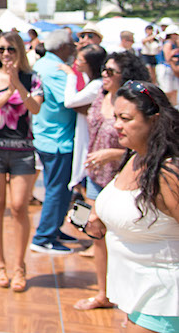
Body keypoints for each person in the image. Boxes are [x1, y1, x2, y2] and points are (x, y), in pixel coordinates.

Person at [82, 81, 179, 333]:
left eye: (126, 118)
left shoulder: (166, 173)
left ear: (154, 120)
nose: (116, 126)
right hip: (138, 296)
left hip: (164, 301)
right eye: (116, 117)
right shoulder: (136, 156)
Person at [73, 52, 149, 311]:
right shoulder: (100, 95)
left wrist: (112, 154)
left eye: (110, 71)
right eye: (103, 69)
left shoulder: (134, 103)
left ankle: (130, 295)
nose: (104, 74)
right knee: (96, 233)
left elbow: (145, 146)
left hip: (125, 176)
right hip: (95, 175)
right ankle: (103, 293)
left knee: (125, 236)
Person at [0, 31, 43, 292]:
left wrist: (18, 83)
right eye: (1, 49)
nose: (6, 54)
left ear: (20, 51)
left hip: (23, 149)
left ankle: (19, 265)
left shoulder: (32, 77)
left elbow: (35, 108)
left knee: (19, 207)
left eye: (11, 49)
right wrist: (8, 91)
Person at [30, 28, 78, 255]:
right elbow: (71, 101)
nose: (75, 48)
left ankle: (54, 229)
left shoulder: (42, 64)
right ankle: (44, 236)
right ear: (63, 47)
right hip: (58, 138)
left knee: (58, 188)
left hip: (47, 135)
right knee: (57, 190)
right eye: (72, 44)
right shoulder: (56, 69)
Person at [64, 45, 108, 194]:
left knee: (86, 187)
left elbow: (70, 102)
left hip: (90, 143)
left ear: (90, 64)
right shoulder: (92, 81)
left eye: (80, 60)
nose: (76, 62)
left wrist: (71, 76)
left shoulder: (97, 85)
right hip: (86, 139)